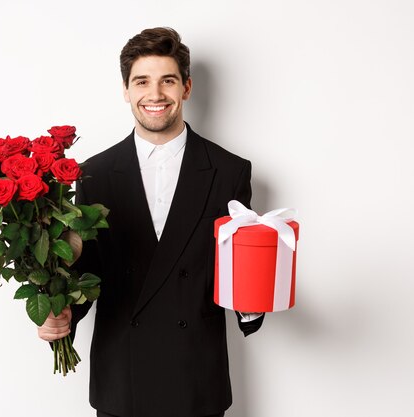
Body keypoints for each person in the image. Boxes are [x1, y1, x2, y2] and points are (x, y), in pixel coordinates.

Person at [38, 27, 264, 417]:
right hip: (122, 377)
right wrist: (60, 315)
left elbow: (236, 271)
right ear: (126, 90)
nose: (155, 95)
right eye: (142, 81)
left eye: (168, 81)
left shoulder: (229, 171)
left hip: (196, 376)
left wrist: (255, 297)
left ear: (187, 88)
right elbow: (86, 268)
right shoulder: (94, 174)